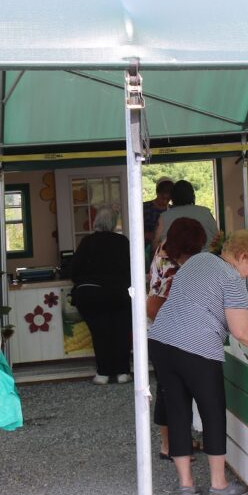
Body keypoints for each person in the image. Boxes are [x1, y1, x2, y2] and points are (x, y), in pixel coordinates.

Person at [148, 230, 248, 495]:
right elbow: (242, 332)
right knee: (212, 411)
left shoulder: (197, 260)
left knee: (177, 410)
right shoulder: (231, 279)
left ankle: (186, 485)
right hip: (197, 347)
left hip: (161, 341)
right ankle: (218, 485)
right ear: (243, 256)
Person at [146, 218, 207, 461]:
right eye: (192, 250)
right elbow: (154, 306)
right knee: (170, 391)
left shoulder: (165, 247)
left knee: (170, 389)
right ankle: (170, 445)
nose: (194, 255)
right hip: (166, 335)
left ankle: (177, 441)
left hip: (164, 333)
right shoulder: (169, 266)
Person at [70, 206, 132, 385]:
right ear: (114, 224)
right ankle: (122, 372)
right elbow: (131, 269)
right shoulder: (122, 242)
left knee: (100, 333)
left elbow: (73, 271)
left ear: (96, 222)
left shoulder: (87, 242)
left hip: (90, 295)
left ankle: (103, 373)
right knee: (120, 332)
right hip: (118, 294)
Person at [152, 180, 219, 252]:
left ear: (172, 197)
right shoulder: (206, 212)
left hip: (175, 260)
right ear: (192, 195)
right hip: (206, 259)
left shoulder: (164, 217)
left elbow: (156, 245)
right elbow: (218, 239)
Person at [143, 178, 174, 265]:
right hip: (145, 251)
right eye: (162, 198)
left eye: (168, 199)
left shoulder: (172, 210)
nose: (165, 201)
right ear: (157, 193)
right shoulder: (144, 207)